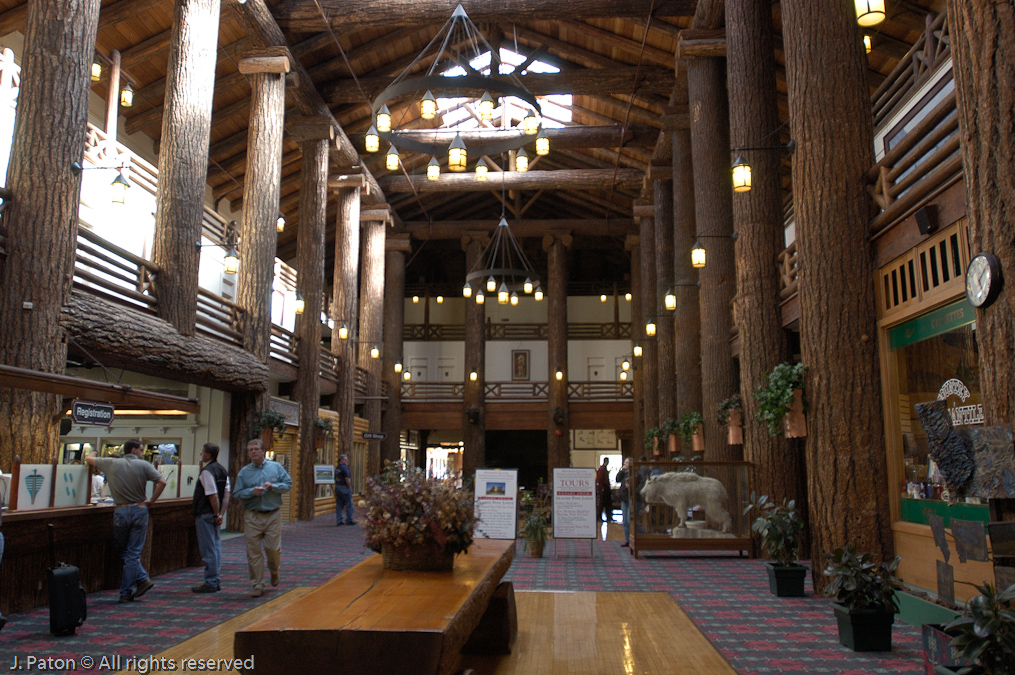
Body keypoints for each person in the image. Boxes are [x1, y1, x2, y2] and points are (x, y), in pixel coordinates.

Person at [86, 440, 167, 604]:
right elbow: (162, 482)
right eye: (141, 450)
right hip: (139, 509)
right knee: (133, 552)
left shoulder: (111, 463)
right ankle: (133, 586)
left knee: (122, 549)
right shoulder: (144, 465)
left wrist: (94, 451)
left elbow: (88, 458)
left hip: (121, 510)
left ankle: (138, 583)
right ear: (133, 450)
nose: (143, 453)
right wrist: (152, 500)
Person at [233, 438, 291, 598]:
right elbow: (237, 493)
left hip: (273, 515)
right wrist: (251, 492)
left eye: (256, 449)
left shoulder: (276, 467)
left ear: (263, 451)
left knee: (273, 549)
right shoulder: (244, 472)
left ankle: (274, 570)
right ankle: (257, 584)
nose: (253, 452)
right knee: (253, 552)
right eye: (250, 450)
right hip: (252, 516)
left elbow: (288, 484)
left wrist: (274, 487)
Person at [191, 443, 230, 593]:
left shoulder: (207, 471)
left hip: (206, 513)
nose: (201, 454)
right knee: (216, 546)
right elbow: (226, 495)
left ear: (208, 455)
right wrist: (221, 514)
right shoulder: (223, 470)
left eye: (202, 452)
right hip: (215, 514)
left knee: (208, 549)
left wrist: (215, 514)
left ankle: (211, 581)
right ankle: (215, 579)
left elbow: (212, 495)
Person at [334, 454, 355, 526]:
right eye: (345, 459)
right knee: (349, 504)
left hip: (338, 487)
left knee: (339, 504)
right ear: (341, 460)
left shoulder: (337, 468)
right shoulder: (345, 468)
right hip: (344, 487)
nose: (347, 461)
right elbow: (347, 478)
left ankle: (339, 520)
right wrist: (349, 487)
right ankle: (349, 520)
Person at [616, 458, 632, 547]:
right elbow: (617, 479)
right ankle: (627, 540)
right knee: (625, 522)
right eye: (625, 463)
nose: (626, 464)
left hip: (631, 499)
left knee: (630, 521)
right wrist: (622, 471)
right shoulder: (623, 474)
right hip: (624, 499)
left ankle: (635, 537)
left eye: (628, 463)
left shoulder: (634, 473)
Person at [596, 457, 613, 523]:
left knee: (608, 503)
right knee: (602, 503)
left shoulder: (604, 469)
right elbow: (599, 479)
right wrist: (602, 488)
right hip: (604, 488)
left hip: (606, 487)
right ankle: (599, 517)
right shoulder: (602, 469)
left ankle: (609, 517)